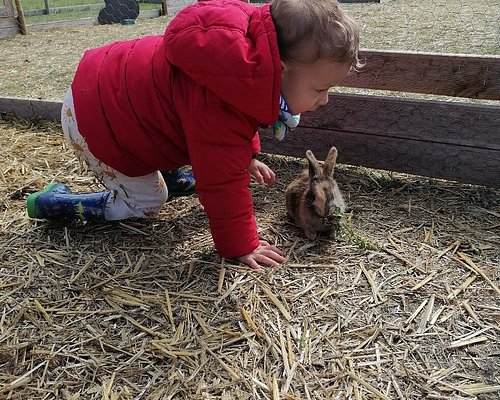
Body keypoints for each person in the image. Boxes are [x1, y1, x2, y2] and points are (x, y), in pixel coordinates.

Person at [27, 0, 361, 270]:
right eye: (320, 88)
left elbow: (235, 124)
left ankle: (170, 176)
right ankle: (58, 203)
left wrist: (247, 157)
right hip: (95, 119)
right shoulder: (218, 105)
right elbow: (221, 179)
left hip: (107, 85)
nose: (325, 99)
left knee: (170, 122)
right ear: (283, 70)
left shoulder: (243, 56)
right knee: (147, 202)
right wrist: (241, 245)